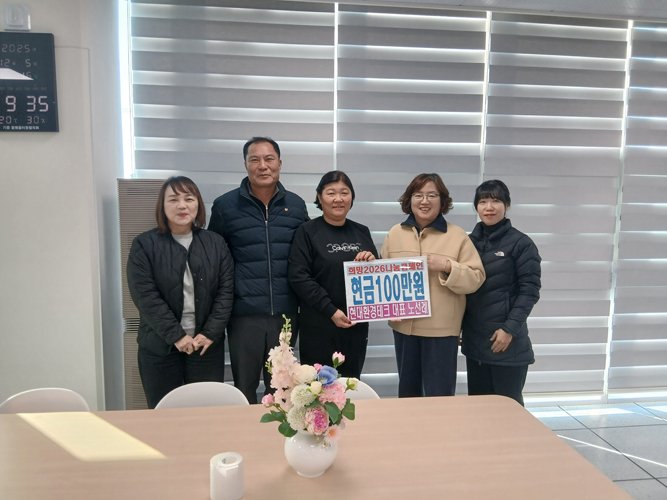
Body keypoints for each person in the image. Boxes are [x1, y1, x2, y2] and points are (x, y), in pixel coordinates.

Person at [208, 137, 309, 403]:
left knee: (282, 389)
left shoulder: (296, 205)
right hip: (243, 315)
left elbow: (308, 254)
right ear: (246, 165)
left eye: (269, 159)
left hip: (286, 314)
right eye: (255, 160)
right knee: (244, 387)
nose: (262, 166)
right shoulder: (225, 206)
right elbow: (213, 259)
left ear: (280, 163)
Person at [127, 176, 234, 408]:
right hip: (159, 347)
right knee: (165, 413)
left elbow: (226, 292)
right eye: (173, 199)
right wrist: (177, 336)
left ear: (198, 204)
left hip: (205, 347)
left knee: (206, 412)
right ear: (162, 205)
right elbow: (145, 296)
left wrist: (210, 333)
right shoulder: (144, 245)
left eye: (189, 198)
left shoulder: (215, 243)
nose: (182, 205)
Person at [381, 173, 485, 397]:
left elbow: (476, 278)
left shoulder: (457, 236)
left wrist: (447, 266)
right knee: (408, 395)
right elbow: (384, 279)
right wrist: (389, 308)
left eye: (432, 195)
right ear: (409, 199)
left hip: (441, 331)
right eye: (418, 195)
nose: (424, 201)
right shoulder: (395, 233)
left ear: (442, 200)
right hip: (404, 329)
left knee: (440, 396)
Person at [288, 171, 378, 378]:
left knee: (351, 387)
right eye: (331, 193)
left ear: (352, 197)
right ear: (320, 197)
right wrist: (331, 311)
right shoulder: (307, 231)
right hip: (319, 325)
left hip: (356, 327)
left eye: (344, 193)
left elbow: (376, 279)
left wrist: (372, 262)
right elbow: (299, 277)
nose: (338, 199)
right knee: (317, 389)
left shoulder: (362, 231)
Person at [461, 179, 541, 406]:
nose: (489, 207)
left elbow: (529, 291)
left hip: (507, 343)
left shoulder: (521, 243)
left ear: (507, 205)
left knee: (508, 410)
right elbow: (463, 288)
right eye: (483, 201)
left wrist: (509, 329)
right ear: (476, 207)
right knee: (479, 408)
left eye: (495, 201)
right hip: (475, 342)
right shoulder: (468, 243)